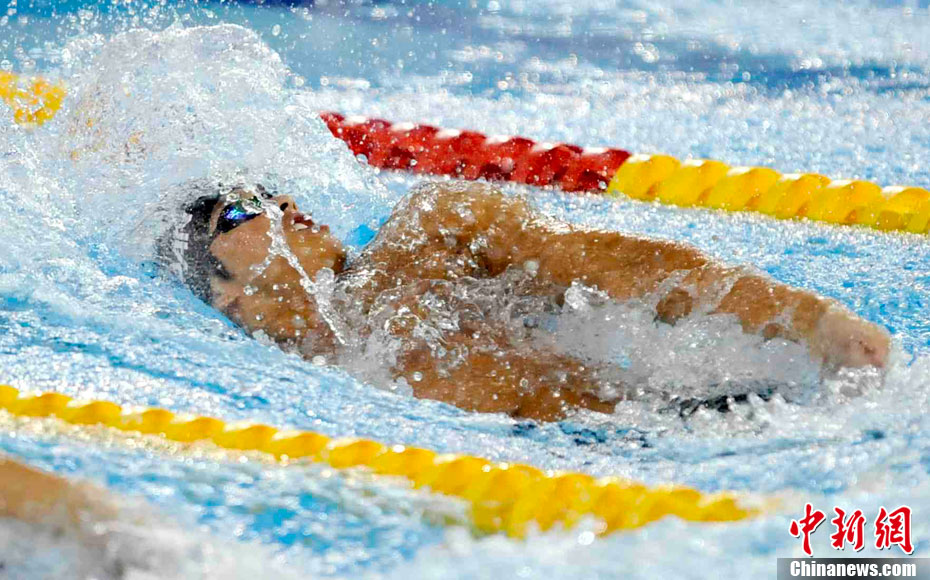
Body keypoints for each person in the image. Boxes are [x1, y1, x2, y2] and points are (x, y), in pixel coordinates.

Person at [159, 180, 891, 421]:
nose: (283, 203)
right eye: (242, 209)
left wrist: (813, 321)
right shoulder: (281, 404)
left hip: (695, 429)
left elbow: (607, 265)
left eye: (273, 190)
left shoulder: (426, 235)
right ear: (225, 297)